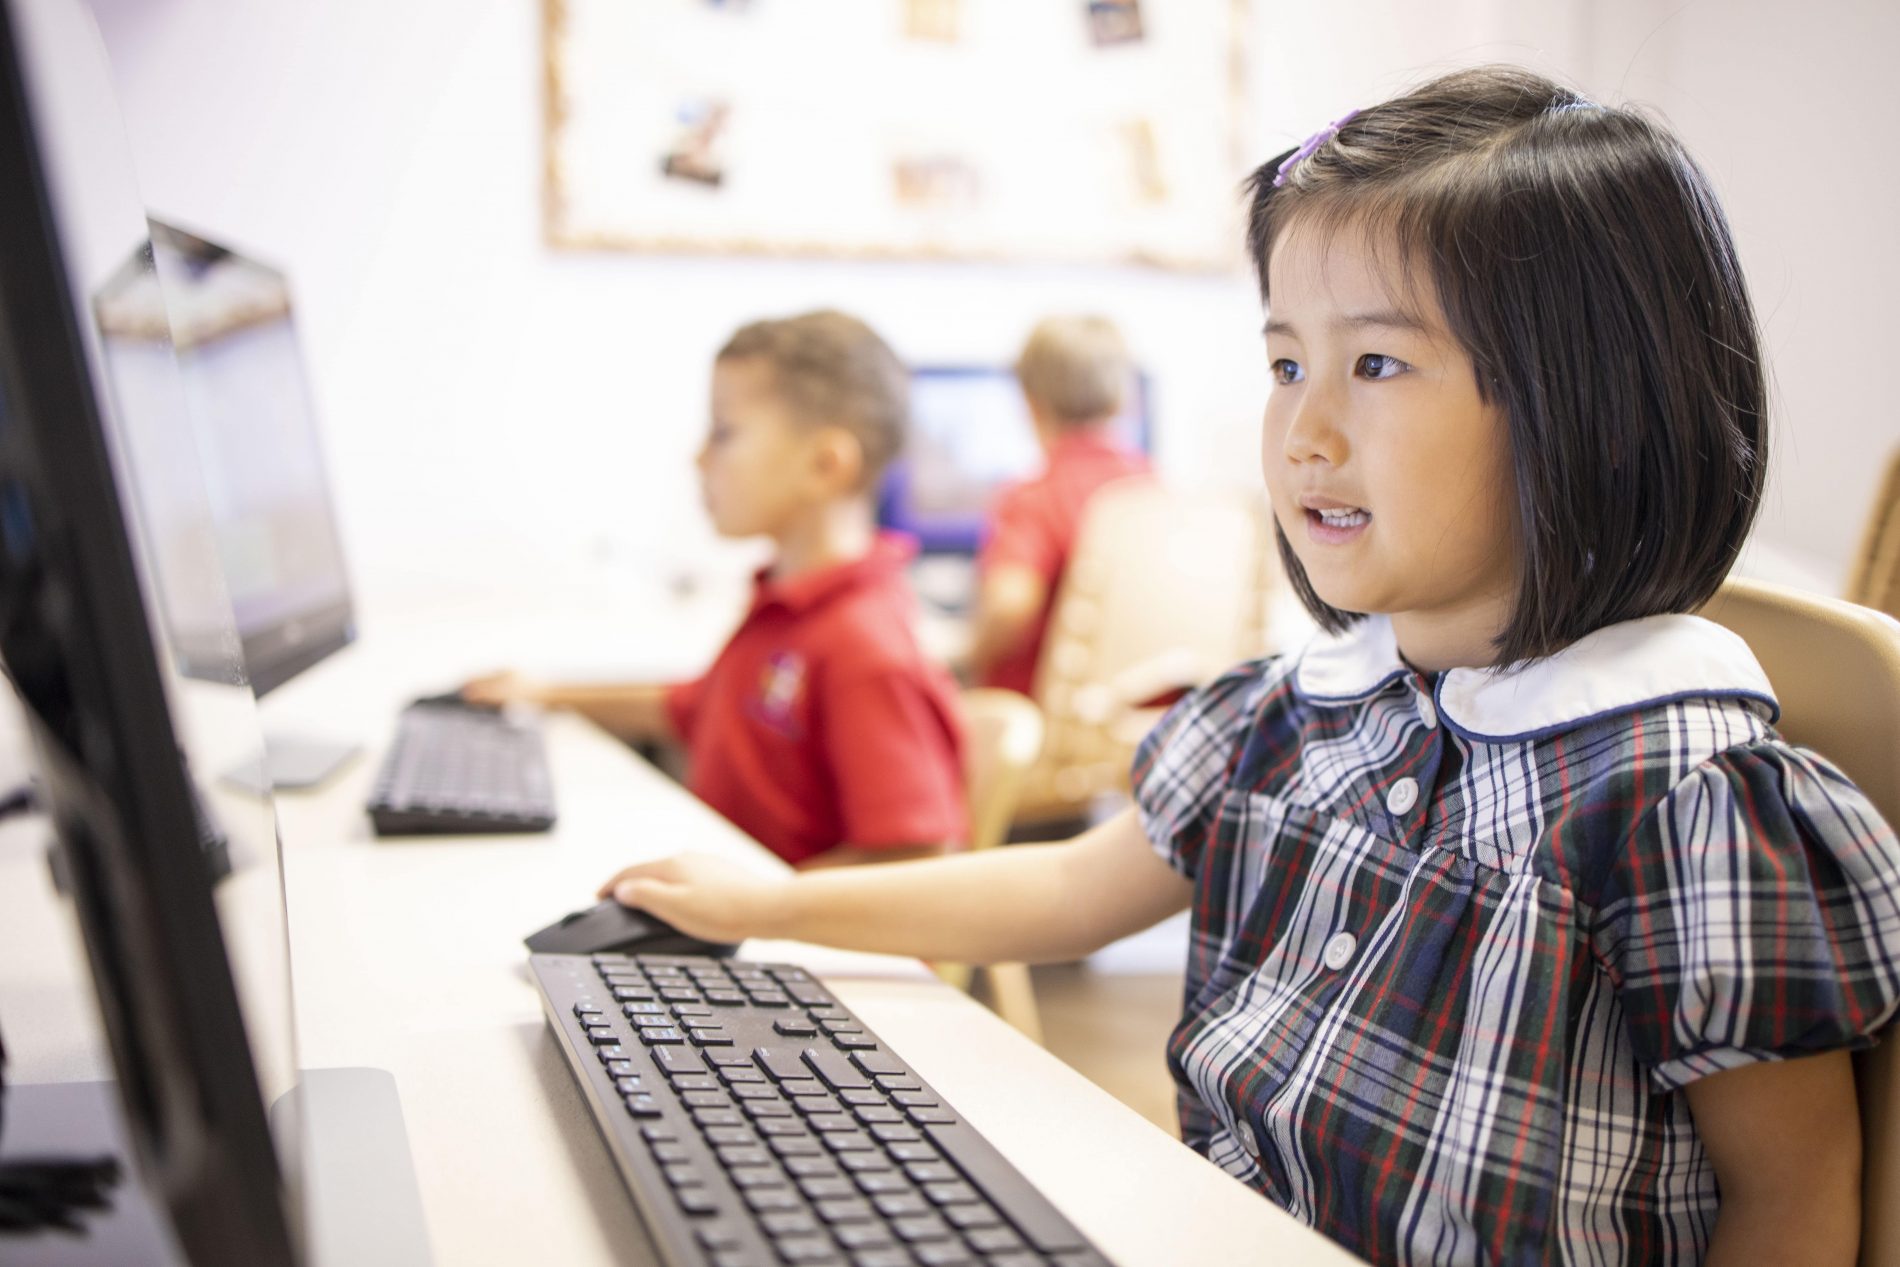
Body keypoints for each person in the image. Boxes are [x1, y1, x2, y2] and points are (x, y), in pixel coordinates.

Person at [592, 68, 1900, 1263]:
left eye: (1377, 362)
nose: (1304, 430)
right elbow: (1061, 887)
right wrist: (770, 904)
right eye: (1285, 361)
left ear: (1589, 402)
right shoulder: (1294, 714)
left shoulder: (1685, 798)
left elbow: (1791, 1196)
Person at [467, 311, 966, 869]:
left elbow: (915, 852)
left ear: (825, 464)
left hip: (785, 942)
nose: (699, 458)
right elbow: (697, 706)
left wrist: (754, 906)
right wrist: (544, 694)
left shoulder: (863, 644)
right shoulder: (787, 603)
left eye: (724, 432)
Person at [967, 315, 1151, 696]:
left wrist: (966, 656)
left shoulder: (1036, 498)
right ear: (1122, 397)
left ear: (1031, 404)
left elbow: (1009, 606)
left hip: (1048, 724)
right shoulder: (1154, 489)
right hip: (1137, 715)